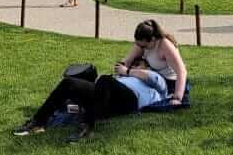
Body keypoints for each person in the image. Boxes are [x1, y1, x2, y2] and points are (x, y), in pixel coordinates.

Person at [13, 19, 187, 142]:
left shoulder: (157, 79)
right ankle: (38, 122)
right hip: (112, 94)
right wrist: (124, 69)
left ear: (152, 40)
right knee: (70, 83)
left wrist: (176, 97)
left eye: (142, 52)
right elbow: (126, 61)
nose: (140, 52)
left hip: (131, 99)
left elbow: (177, 72)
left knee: (104, 80)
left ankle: (87, 126)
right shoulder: (140, 52)